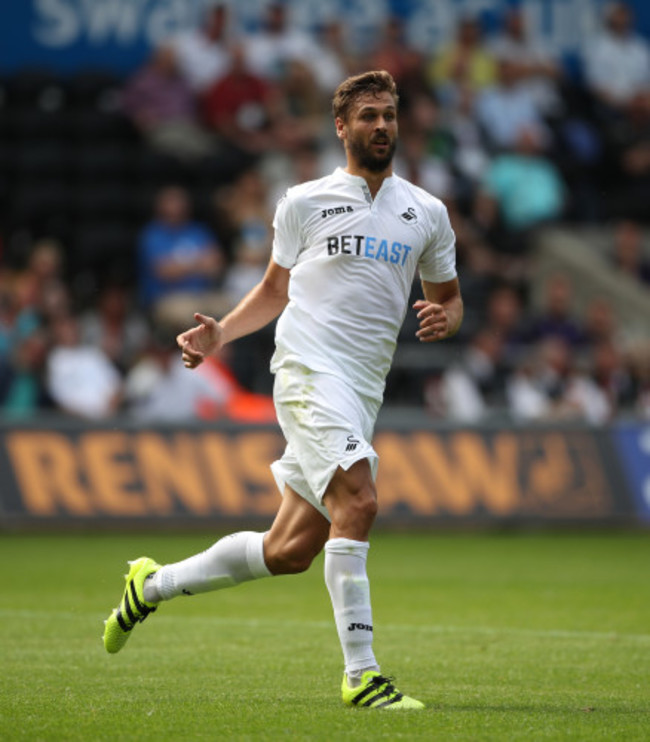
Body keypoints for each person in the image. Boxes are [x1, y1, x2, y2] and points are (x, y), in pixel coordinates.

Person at [103, 70, 463, 710]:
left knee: (290, 550)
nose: (381, 125)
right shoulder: (303, 201)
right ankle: (363, 676)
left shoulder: (426, 213)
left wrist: (446, 317)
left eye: (389, 115)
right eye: (368, 116)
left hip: (361, 389)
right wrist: (221, 335)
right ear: (341, 127)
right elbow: (275, 290)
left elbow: (449, 298)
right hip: (306, 371)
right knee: (360, 499)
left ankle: (149, 586)